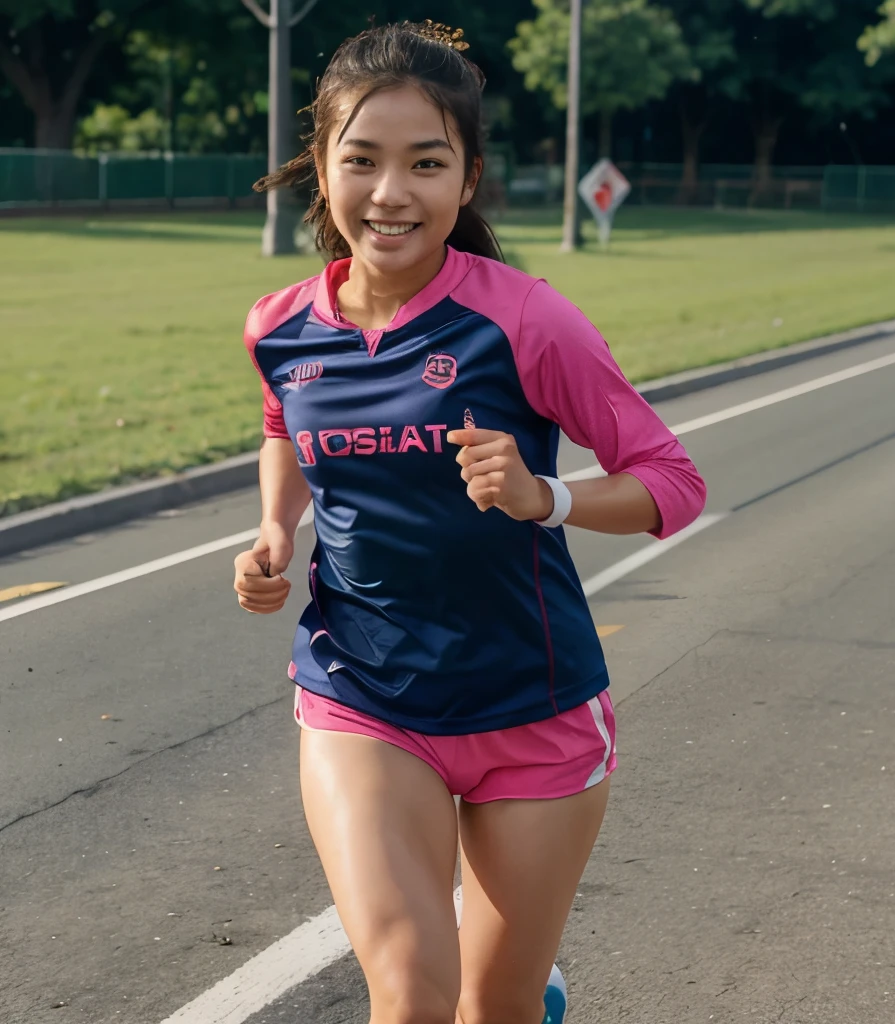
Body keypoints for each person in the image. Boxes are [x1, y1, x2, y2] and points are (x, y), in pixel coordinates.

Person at [232, 19, 706, 1024]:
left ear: (467, 178)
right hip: (363, 690)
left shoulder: (525, 319)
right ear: (321, 166)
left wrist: (549, 499)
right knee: (408, 996)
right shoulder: (279, 327)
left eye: (425, 163)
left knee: (491, 1011)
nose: (390, 191)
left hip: (531, 707)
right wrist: (276, 528)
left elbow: (671, 480)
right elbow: (286, 425)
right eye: (361, 160)